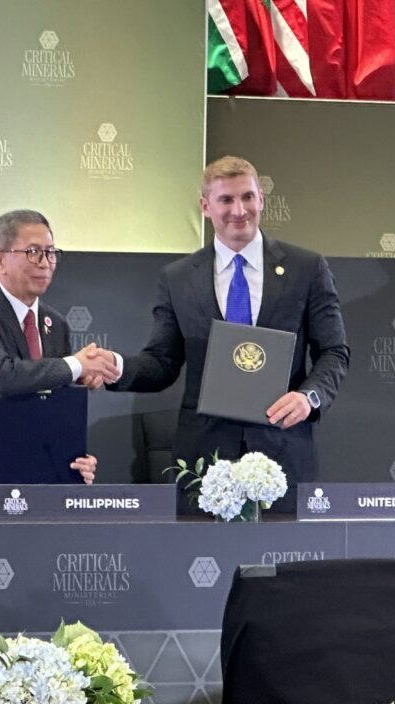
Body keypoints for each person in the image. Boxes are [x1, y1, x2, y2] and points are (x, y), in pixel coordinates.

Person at [101, 156, 350, 513]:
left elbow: (334, 351)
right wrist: (117, 367)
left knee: (282, 566)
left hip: (283, 452)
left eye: (248, 197)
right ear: (205, 206)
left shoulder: (306, 268)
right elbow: (163, 362)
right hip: (204, 459)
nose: (240, 210)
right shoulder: (178, 277)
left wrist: (308, 397)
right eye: (226, 200)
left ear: (262, 199)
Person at [0, 209, 119, 515]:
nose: (45, 263)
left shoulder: (55, 322)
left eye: (51, 253)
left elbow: (50, 402)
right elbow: (3, 376)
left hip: (39, 476)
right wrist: (75, 366)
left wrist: (75, 457)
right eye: (33, 252)